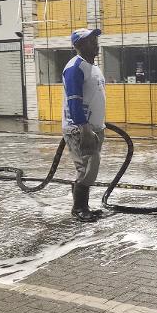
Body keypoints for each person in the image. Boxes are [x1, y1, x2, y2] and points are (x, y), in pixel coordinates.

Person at [62, 28, 106, 222]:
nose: (95, 43)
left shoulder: (93, 67)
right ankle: (79, 207)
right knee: (88, 167)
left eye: (95, 39)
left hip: (95, 127)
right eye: (90, 40)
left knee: (90, 167)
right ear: (79, 45)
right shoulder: (75, 67)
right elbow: (74, 100)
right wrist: (84, 127)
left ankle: (83, 205)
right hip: (80, 129)